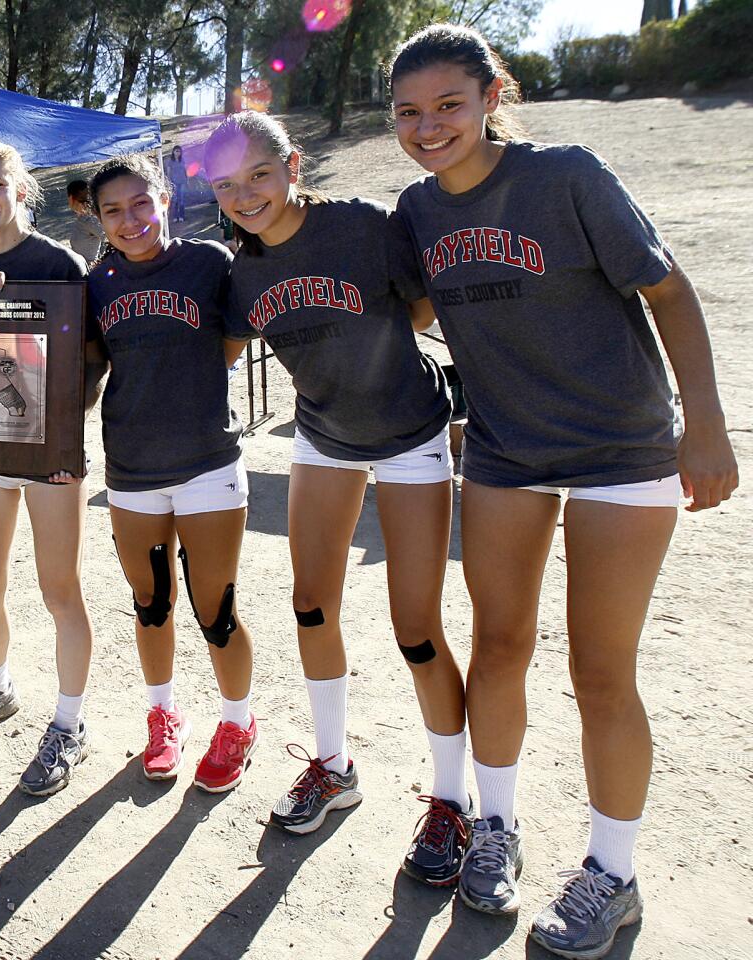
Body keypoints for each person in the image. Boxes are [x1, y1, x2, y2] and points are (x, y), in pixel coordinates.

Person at [389, 24, 738, 957]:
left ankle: (612, 875)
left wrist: (703, 423)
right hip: (506, 453)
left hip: (624, 449)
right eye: (410, 113)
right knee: (498, 644)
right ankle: (493, 827)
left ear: (493, 94)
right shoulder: (417, 211)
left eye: (449, 105)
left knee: (599, 670)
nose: (430, 128)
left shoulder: (568, 174)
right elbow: (415, 303)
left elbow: (668, 291)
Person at [205, 113, 469, 876]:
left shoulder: (364, 225)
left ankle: (452, 802)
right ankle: (333, 764)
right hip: (323, 439)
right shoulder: (243, 269)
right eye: (228, 184)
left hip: (411, 433)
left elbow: (420, 309)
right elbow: (217, 348)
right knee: (310, 605)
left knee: (417, 630)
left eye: (260, 173)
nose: (246, 194)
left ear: (292, 165)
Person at [86, 153, 258, 793]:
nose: (129, 219)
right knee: (152, 603)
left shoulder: (210, 263)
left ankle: (237, 722)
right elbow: (83, 369)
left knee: (215, 609)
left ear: (165, 199)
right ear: (98, 219)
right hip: (131, 470)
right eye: (112, 210)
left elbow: (231, 342)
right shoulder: (95, 281)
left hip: (207, 464)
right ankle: (163, 716)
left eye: (140, 202)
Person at [0, 140, 97, 797]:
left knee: (60, 591)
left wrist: (62, 445)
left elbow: (86, 364)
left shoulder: (56, 261)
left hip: (49, 455)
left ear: (20, 188)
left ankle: (69, 723)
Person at [65, 180, 103, 264]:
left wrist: (103, 262)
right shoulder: (82, 217)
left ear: (71, 198)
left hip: (89, 270)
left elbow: (111, 239)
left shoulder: (89, 220)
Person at [164, 145, 188, 223]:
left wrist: (187, 180)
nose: (178, 153)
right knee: (175, 200)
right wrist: (169, 182)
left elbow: (185, 171)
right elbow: (168, 172)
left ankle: (181, 216)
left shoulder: (182, 160)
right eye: (176, 151)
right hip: (174, 182)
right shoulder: (170, 161)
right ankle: (175, 216)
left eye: (179, 151)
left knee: (181, 199)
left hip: (182, 182)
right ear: (173, 152)